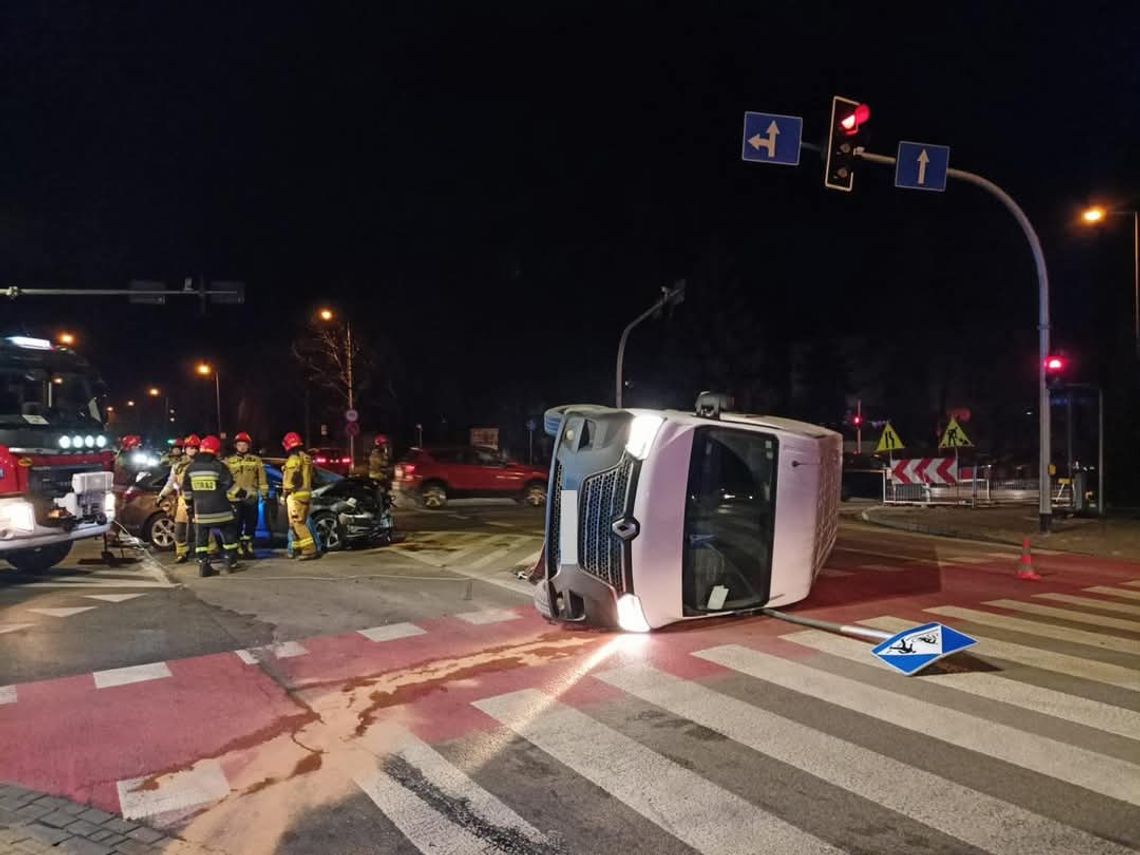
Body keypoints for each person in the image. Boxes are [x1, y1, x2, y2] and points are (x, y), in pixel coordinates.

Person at [182, 435, 241, 576]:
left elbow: (186, 491)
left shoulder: (191, 468)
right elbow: (231, 487)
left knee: (201, 540)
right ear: (216, 450)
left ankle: (203, 566)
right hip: (222, 511)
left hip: (201, 513)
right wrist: (246, 496)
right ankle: (229, 562)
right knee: (229, 536)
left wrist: (190, 506)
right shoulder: (219, 466)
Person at [225, 431, 268, 559]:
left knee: (251, 524)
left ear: (248, 446)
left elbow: (262, 479)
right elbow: (225, 480)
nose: (242, 447)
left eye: (244, 444)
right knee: (236, 524)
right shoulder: (229, 461)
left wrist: (264, 494)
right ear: (235, 446)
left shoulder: (256, 460)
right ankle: (237, 545)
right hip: (234, 498)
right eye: (239, 444)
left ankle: (248, 545)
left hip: (251, 498)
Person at [158, 434, 199, 563]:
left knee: (201, 528)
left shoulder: (203, 464)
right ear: (185, 449)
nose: (192, 450)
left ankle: (208, 552)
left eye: (195, 447)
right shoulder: (178, 466)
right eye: (189, 447)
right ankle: (182, 552)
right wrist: (162, 495)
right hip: (183, 500)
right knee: (180, 528)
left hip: (199, 500)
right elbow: (170, 483)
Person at [281, 432, 319, 560]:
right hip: (306, 494)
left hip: (296, 495)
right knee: (294, 524)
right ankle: (296, 548)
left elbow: (290, 480)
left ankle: (309, 550)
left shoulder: (293, 459)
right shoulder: (306, 457)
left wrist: (284, 493)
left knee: (298, 523)